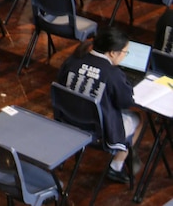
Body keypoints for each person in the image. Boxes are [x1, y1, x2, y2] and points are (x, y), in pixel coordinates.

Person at [57, 26, 143, 183]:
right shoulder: (113, 73)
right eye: (125, 53)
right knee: (137, 118)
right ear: (112, 53)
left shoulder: (73, 59)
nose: (125, 57)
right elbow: (125, 102)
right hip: (97, 130)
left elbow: (59, 83)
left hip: (67, 118)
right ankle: (116, 166)